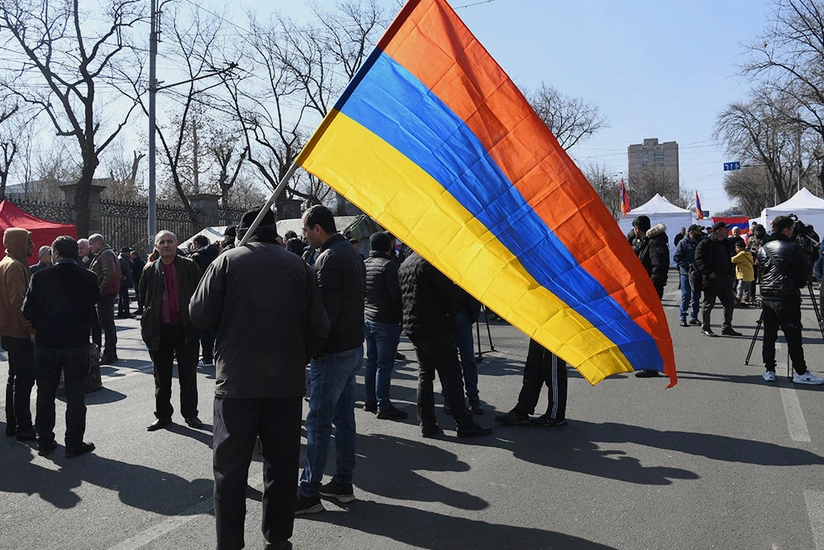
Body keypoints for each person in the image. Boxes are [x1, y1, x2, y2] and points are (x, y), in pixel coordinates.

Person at [190, 206, 329, 550]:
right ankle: (278, 537)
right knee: (281, 466)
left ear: (243, 231)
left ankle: (230, 543)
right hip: (284, 384)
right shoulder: (300, 266)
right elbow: (320, 328)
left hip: (236, 383)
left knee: (230, 471)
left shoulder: (226, 262)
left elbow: (199, 314)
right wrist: (299, 358)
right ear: (275, 232)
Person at [296, 205, 366, 515]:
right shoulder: (350, 253)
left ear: (317, 228)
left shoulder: (328, 259)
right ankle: (342, 483)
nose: (303, 235)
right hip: (351, 347)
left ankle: (309, 492)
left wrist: (310, 353)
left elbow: (324, 316)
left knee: (319, 424)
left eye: (305, 229)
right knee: (343, 419)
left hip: (334, 352)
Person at [398, 251, 492, 439]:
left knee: (425, 376)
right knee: (452, 375)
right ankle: (464, 423)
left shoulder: (406, 263)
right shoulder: (430, 262)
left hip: (415, 325)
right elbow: (449, 293)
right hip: (435, 325)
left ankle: (427, 424)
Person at [23, 236, 99, 457]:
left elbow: (27, 310)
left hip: (46, 343)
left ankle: (45, 440)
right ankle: (74, 442)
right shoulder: (89, 277)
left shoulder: (40, 277)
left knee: (45, 393)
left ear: (55, 254)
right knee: (76, 395)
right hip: (77, 344)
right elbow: (93, 304)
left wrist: (38, 325)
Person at [139, 230, 203, 431]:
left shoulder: (189, 266)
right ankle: (163, 415)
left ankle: (191, 415)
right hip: (159, 331)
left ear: (176, 244)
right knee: (162, 378)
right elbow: (143, 298)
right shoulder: (149, 269)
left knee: (188, 377)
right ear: (156, 247)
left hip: (186, 329)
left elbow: (200, 292)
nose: (166, 245)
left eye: (169, 241)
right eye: (162, 242)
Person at [758, 216, 822, 384]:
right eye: (791, 229)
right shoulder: (793, 247)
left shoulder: (763, 248)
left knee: (769, 334)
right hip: (787, 296)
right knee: (793, 335)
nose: (793, 231)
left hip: (767, 296)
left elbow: (761, 272)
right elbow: (807, 268)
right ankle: (800, 372)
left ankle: (769, 370)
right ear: (786, 230)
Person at [362, 231, 406, 421]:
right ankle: (384, 405)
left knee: (372, 362)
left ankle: (370, 400)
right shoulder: (388, 265)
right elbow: (396, 295)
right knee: (384, 366)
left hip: (368, 318)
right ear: (387, 246)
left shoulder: (365, 264)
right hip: (386, 320)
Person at [0, 228, 36, 440]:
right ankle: (23, 426)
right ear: (18, 243)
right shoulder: (14, 267)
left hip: (10, 331)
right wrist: (30, 329)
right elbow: (18, 303)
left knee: (14, 379)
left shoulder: (7, 263)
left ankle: (13, 424)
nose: (31, 246)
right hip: (18, 332)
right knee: (23, 381)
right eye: (28, 242)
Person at [494, 339, 567, 427]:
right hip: (539, 330)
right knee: (533, 368)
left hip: (555, 333)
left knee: (554, 372)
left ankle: (556, 415)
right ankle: (522, 410)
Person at [630, 215, 669, 378]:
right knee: (646, 327)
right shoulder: (647, 242)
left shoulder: (655, 243)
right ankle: (648, 361)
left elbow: (658, 268)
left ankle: (651, 365)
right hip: (645, 290)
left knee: (649, 328)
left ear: (637, 228)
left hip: (650, 291)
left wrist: (650, 289)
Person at [694, 221, 741, 337]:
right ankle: (705, 327)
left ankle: (727, 327)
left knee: (729, 303)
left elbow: (728, 259)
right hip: (712, 279)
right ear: (718, 231)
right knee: (709, 304)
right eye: (725, 229)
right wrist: (708, 272)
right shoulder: (706, 243)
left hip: (725, 278)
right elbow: (698, 260)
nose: (727, 230)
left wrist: (731, 274)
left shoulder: (726, 243)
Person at [445, 286, 484, 415]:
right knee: (450, 361)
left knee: (469, 360)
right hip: (446, 315)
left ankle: (473, 397)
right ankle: (450, 398)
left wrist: (473, 314)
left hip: (463, 314)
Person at [88, 233, 122, 364]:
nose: (90, 247)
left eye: (91, 244)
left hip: (106, 295)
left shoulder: (105, 254)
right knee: (108, 325)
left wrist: (101, 290)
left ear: (98, 243)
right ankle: (111, 352)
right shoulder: (106, 253)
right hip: (107, 294)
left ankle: (109, 354)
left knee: (107, 325)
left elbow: (110, 273)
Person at [189, 235, 219, 367]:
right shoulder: (219, 255)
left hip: (200, 293)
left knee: (203, 327)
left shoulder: (195, 257)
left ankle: (206, 356)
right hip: (216, 293)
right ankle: (213, 353)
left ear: (196, 244)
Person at [630, 215, 668, 298]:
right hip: (644, 285)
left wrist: (651, 285)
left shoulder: (655, 243)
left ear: (637, 229)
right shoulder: (645, 242)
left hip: (651, 288)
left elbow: (659, 266)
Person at [673, 224, 703, 327]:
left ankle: (694, 317)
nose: (700, 233)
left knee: (696, 295)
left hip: (697, 273)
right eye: (697, 232)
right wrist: (687, 266)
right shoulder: (683, 242)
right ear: (691, 232)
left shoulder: (700, 242)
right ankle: (683, 317)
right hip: (686, 273)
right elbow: (677, 257)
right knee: (686, 295)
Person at [731, 241, 755, 306]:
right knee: (747, 289)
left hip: (743, 275)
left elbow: (733, 260)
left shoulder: (742, 254)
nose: (736, 249)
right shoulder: (748, 253)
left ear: (741, 248)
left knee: (740, 288)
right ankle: (747, 299)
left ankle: (738, 300)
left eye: (737, 248)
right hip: (749, 275)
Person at [117, 247, 133, 319]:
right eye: (128, 252)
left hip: (124, 282)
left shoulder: (124, 259)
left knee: (124, 297)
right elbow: (118, 269)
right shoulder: (121, 259)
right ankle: (125, 312)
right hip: (122, 282)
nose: (129, 254)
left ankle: (123, 312)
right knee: (124, 298)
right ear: (125, 252)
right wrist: (122, 276)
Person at [130, 250, 146, 315]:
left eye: (132, 255)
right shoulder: (141, 261)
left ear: (135, 255)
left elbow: (133, 270)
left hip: (137, 280)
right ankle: (141, 308)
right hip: (140, 279)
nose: (131, 257)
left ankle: (140, 309)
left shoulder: (135, 262)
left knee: (138, 294)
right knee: (141, 294)